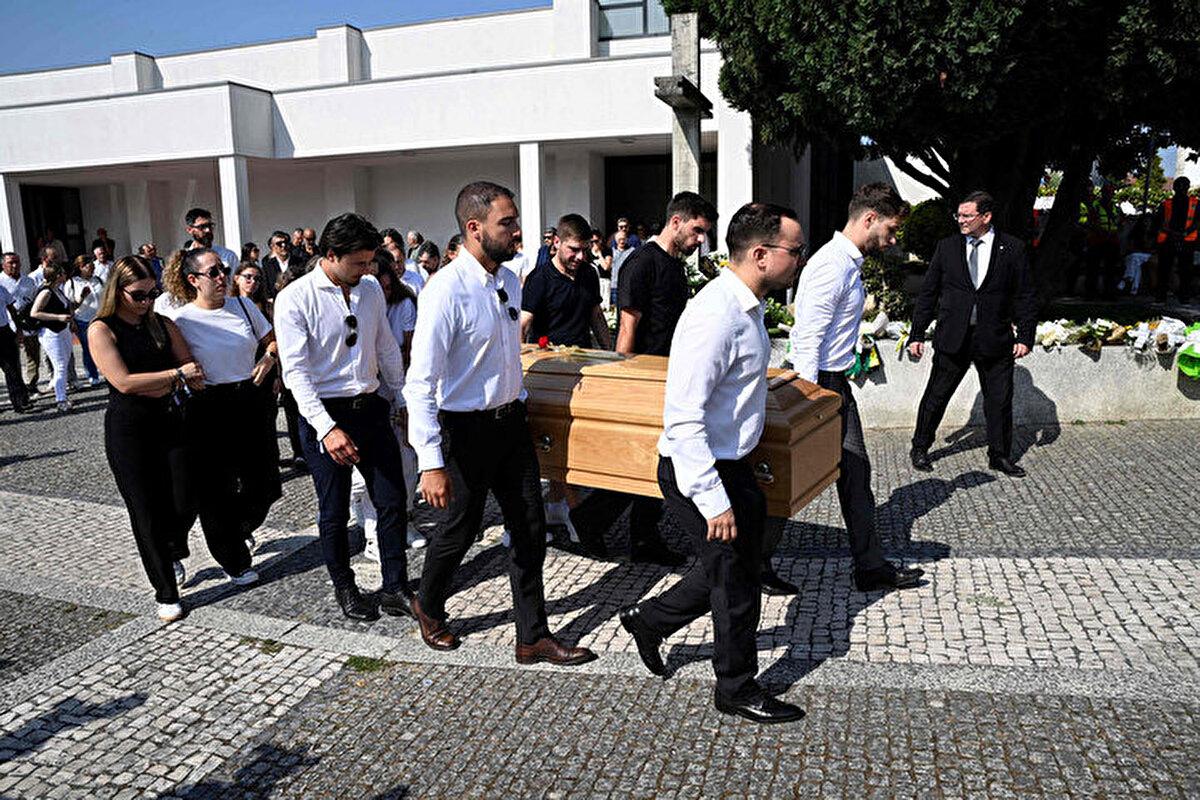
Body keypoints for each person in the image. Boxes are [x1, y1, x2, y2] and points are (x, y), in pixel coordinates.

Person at [620, 202, 808, 724]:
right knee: (736, 584)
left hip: (732, 464)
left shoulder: (746, 306)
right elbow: (683, 420)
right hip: (699, 469)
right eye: (796, 250)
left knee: (735, 566)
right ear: (762, 254)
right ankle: (736, 687)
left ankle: (650, 620)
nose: (800, 259)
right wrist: (713, 500)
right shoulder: (716, 315)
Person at [403, 181, 596, 666]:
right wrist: (430, 462)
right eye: (506, 223)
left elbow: (507, 354)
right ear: (474, 228)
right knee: (460, 529)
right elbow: (419, 383)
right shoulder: (445, 291)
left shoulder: (509, 279)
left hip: (511, 425)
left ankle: (532, 636)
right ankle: (428, 603)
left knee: (529, 527)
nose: (517, 231)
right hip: (465, 429)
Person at [275, 213, 414, 622]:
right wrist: (327, 429)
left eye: (371, 261)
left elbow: (385, 346)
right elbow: (296, 374)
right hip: (325, 413)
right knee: (334, 509)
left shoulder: (369, 289)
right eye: (359, 262)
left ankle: (395, 587)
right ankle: (345, 587)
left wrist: (403, 399)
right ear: (331, 255)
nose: (368, 270)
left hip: (370, 407)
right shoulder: (295, 297)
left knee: (392, 500)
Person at [788, 182, 925, 593]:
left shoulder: (846, 263)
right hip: (821, 386)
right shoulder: (831, 265)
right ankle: (753, 563)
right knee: (794, 476)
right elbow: (806, 339)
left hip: (834, 385)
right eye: (891, 229)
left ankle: (869, 566)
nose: (893, 239)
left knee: (854, 474)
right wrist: (809, 404)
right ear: (869, 219)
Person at [600, 191, 717, 566]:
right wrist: (626, 384)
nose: (700, 240)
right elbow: (627, 329)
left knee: (653, 464)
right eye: (697, 231)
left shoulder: (675, 265)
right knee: (650, 464)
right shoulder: (641, 263)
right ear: (676, 221)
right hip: (646, 379)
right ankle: (620, 532)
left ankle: (611, 529)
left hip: (670, 375)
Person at [88, 255, 205, 622]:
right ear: (117, 291)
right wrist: (175, 375)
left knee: (186, 497)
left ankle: (172, 548)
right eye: (138, 295)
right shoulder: (101, 329)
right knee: (146, 510)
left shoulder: (162, 324)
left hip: (169, 419)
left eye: (153, 293)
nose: (147, 301)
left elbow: (191, 366)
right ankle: (166, 591)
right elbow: (124, 382)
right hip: (130, 430)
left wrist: (179, 376)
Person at [161, 247, 279, 585]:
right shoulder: (181, 320)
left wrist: (269, 358)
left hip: (250, 398)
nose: (222, 277)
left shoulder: (243, 307)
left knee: (265, 484)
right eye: (213, 272)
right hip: (208, 404)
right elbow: (173, 362)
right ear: (193, 280)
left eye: (224, 270)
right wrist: (184, 372)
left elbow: (272, 340)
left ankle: (236, 530)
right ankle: (232, 559)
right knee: (216, 488)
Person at [909, 189, 1037, 478]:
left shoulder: (1012, 248)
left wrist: (1026, 336)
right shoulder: (947, 247)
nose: (961, 220)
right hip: (953, 337)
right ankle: (920, 447)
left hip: (995, 338)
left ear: (986, 216)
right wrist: (917, 333)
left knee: (999, 400)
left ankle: (1000, 456)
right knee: (936, 396)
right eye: (959, 215)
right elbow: (928, 292)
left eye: (967, 215)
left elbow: (1026, 295)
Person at [519, 214, 611, 542]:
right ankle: (576, 513)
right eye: (573, 249)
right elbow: (523, 325)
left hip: (584, 368)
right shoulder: (539, 278)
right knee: (560, 446)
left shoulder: (588, 273)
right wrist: (517, 369)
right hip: (550, 374)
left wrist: (612, 356)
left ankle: (557, 504)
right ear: (556, 243)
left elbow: (596, 316)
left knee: (576, 444)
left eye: (585, 249)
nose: (580, 256)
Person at [349, 250, 426, 560]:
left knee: (406, 459)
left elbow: (407, 351)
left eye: (387, 287)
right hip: (367, 392)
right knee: (367, 469)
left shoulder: (403, 305)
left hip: (397, 387)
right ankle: (372, 528)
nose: (382, 293)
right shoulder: (354, 304)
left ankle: (405, 519)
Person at [28, 262, 76, 412]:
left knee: (64, 364)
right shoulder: (46, 292)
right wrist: (58, 317)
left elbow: (69, 308)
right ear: (57, 276)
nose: (65, 275)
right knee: (60, 366)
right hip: (50, 333)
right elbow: (34, 313)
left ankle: (60, 393)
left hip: (63, 330)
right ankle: (61, 400)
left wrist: (81, 298)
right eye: (63, 273)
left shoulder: (58, 290)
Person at [1, 252, 37, 408]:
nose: (14, 266)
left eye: (16, 262)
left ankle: (20, 402)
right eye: (10, 263)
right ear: (3, 265)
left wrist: (19, 329)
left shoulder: (1, 289)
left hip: (5, 331)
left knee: (12, 368)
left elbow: (11, 309)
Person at [1154, 176, 1197, 304]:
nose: (1181, 189)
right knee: (1164, 269)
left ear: (1188, 188)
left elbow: (1197, 222)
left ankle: (1184, 297)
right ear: (1174, 188)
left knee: (1185, 270)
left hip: (1187, 240)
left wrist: (1184, 233)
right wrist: (1172, 233)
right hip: (1169, 239)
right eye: (1179, 186)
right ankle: (1161, 296)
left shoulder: (1195, 203)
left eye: (1184, 186)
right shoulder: (1166, 203)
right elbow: (1159, 221)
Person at [65, 254, 104, 385]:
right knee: (89, 348)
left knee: (103, 347)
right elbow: (69, 305)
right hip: (83, 320)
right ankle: (92, 375)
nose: (92, 269)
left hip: (100, 318)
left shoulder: (97, 280)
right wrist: (72, 322)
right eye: (89, 267)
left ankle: (106, 372)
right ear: (81, 267)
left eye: (93, 267)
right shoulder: (72, 283)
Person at [609, 227, 636, 309]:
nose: (622, 241)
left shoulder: (632, 251)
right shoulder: (611, 252)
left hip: (627, 286)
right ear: (616, 240)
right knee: (614, 309)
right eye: (619, 239)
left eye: (623, 239)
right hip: (614, 285)